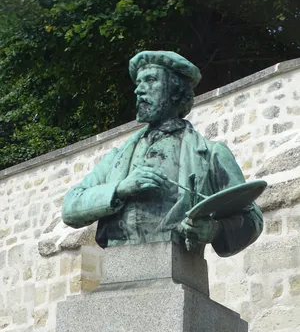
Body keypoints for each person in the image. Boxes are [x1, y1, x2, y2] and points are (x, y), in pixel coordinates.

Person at [62, 51, 263, 256]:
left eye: (150, 80)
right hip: (116, 266)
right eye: (138, 83)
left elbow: (253, 219)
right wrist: (120, 189)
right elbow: (70, 208)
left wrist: (215, 230)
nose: (139, 90)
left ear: (175, 91)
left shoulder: (210, 154)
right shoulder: (117, 157)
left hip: (180, 267)